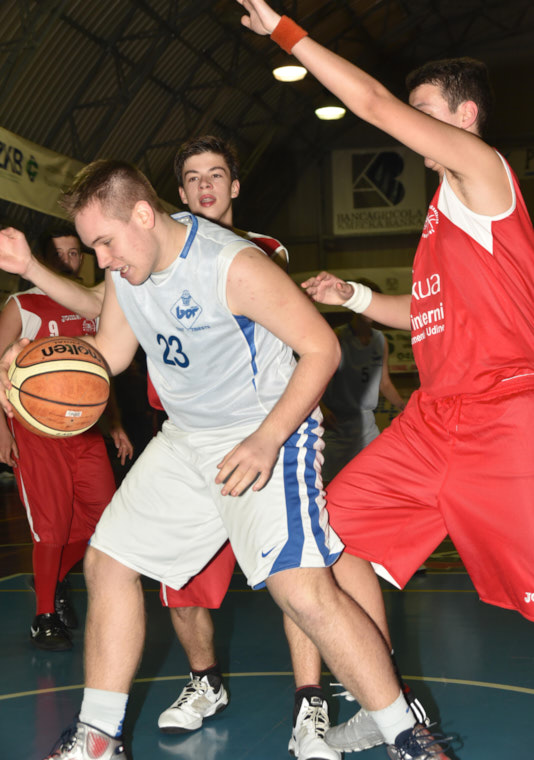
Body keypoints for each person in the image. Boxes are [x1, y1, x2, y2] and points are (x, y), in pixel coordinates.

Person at [0, 158, 451, 760]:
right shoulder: (128, 273)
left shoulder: (230, 264)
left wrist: (267, 438)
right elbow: (108, 352)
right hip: (187, 439)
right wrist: (37, 361)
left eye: (105, 242)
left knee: (303, 592)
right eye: (94, 247)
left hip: (265, 431)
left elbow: (320, 348)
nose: (102, 259)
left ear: (143, 215)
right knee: (108, 562)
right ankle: (98, 737)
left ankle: (407, 736)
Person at [217, 0, 534, 757]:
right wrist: (354, 295)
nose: (407, 127)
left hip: (504, 419)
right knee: (332, 536)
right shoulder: (444, 216)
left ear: (464, 118)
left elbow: (371, 103)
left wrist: (282, 29)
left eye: (424, 113)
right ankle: (389, 701)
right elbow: (426, 313)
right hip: (433, 423)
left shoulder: (483, 175)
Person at [0, 225, 133, 651]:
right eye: (60, 253)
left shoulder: (95, 305)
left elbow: (95, 374)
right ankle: (44, 616)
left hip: (85, 428)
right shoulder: (23, 304)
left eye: (75, 253)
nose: (69, 260)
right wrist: (1, 429)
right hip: (35, 432)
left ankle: (53, 580)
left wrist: (114, 422)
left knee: (105, 517)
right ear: (42, 258)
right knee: (52, 525)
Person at [320, 281, 405, 484]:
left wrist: (406, 407)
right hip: (338, 426)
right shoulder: (337, 336)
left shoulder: (380, 340)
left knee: (375, 481)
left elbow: (384, 383)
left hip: (367, 426)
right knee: (330, 485)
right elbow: (318, 378)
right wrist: (322, 408)